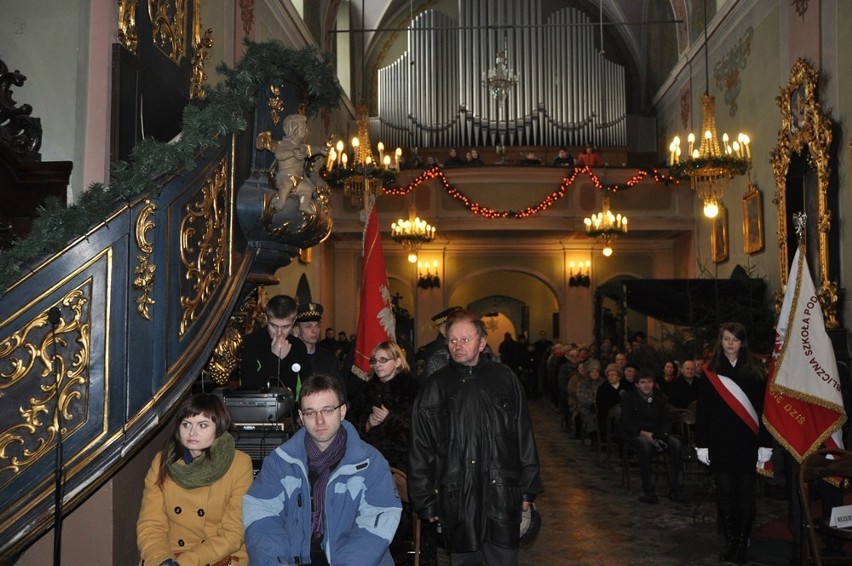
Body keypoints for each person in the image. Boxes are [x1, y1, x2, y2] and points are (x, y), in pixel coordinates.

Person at [409, 309, 543, 565]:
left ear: (482, 343)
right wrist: (425, 501)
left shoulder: (505, 379)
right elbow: (420, 448)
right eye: (452, 341)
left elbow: (524, 436)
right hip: (457, 496)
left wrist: (529, 488)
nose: (457, 346)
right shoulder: (435, 387)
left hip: (501, 493)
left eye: (465, 340)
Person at [243, 374, 402, 565]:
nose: (319, 421)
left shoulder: (371, 463)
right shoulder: (280, 461)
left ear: (342, 411)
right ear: (301, 417)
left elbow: (374, 531)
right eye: (310, 412)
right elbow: (261, 519)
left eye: (327, 410)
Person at [137, 393, 253, 566]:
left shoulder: (239, 464)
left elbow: (233, 533)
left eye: (203, 425)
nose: (192, 432)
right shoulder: (163, 461)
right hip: (169, 555)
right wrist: (161, 560)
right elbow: (151, 525)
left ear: (219, 428)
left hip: (217, 556)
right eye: (186, 424)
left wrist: (187, 562)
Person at [695, 322, 772, 564]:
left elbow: (763, 410)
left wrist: (765, 444)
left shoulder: (755, 370)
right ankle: (730, 542)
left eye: (735, 339)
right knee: (725, 493)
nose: (730, 343)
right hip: (720, 441)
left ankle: (742, 542)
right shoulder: (710, 370)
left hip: (747, 440)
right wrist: (702, 444)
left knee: (746, 494)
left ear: (742, 342)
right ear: (721, 340)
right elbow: (704, 411)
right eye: (726, 339)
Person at [349, 340, 419, 470]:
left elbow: (418, 428)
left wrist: (390, 418)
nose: (377, 365)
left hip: (402, 464)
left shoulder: (412, 389)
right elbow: (351, 421)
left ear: (397, 362)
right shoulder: (366, 389)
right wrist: (367, 423)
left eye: (383, 360)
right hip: (371, 461)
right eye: (375, 361)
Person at [621, 372, 684, 505]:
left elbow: (667, 419)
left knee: (677, 445)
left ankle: (676, 489)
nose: (646, 385)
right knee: (645, 447)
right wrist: (644, 434)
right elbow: (627, 423)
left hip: (657, 433)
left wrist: (663, 434)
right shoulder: (629, 398)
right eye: (643, 382)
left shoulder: (659, 397)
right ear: (637, 384)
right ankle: (649, 491)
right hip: (637, 434)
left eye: (649, 382)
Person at [239, 295, 312, 395]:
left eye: (285, 327)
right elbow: (249, 388)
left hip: (290, 409)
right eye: (273, 326)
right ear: (266, 318)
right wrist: (274, 357)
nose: (279, 333)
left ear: (294, 321)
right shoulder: (250, 343)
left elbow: (306, 387)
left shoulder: (298, 347)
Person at [256, 113, 316, 214]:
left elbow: (311, 150)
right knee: (287, 184)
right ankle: (281, 201)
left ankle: (304, 205)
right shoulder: (285, 144)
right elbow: (279, 155)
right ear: (295, 130)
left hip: (298, 179)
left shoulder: (302, 147)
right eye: (304, 129)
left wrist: (321, 150)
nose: (307, 131)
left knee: (308, 188)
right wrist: (292, 153)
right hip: (284, 176)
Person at [294, 302, 344, 391]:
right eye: (308, 327)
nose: (314, 331)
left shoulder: (329, 359)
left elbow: (340, 390)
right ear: (297, 330)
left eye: (317, 326)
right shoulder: (290, 358)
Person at [415, 306, 462, 379]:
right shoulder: (428, 353)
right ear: (443, 329)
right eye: (456, 327)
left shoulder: (471, 347)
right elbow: (423, 384)